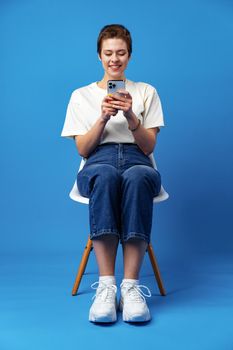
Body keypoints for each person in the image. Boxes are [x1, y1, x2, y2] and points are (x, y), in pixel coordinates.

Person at [61, 24, 165, 324]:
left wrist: (132, 116)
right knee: (105, 176)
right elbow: (83, 149)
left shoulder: (146, 92)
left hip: (137, 159)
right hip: (98, 160)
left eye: (121, 53)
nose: (114, 59)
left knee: (136, 178)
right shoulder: (80, 96)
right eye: (108, 53)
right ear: (99, 56)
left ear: (130, 56)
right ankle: (106, 286)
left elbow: (148, 147)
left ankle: (130, 288)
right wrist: (103, 117)